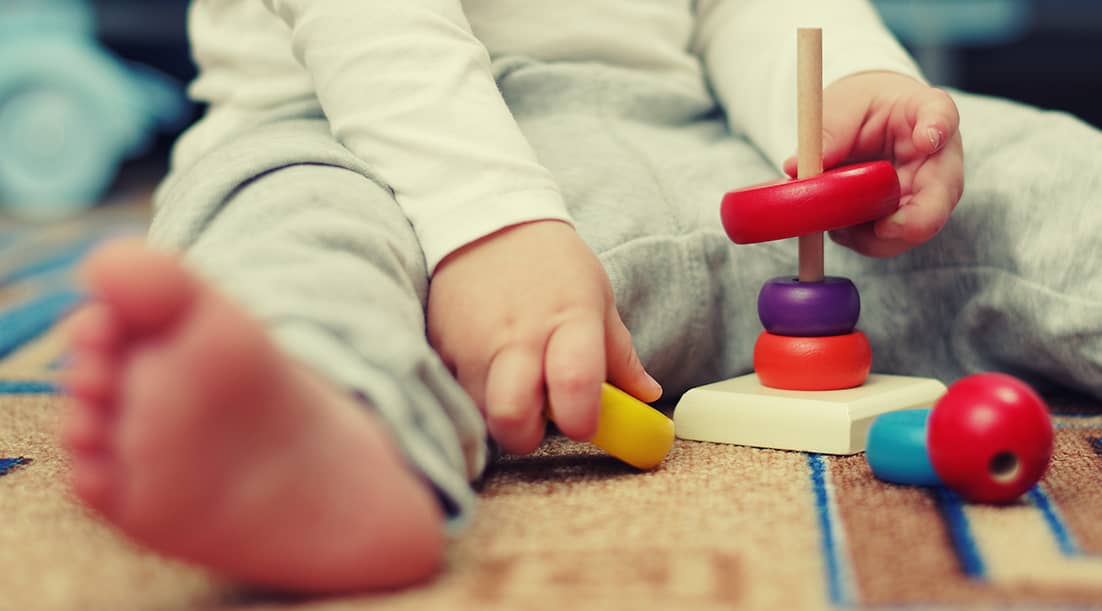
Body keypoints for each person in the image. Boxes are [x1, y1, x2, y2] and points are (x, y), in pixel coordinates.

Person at [60, 0, 1102, 594]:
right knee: (288, 238)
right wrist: (489, 219)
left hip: (699, 148)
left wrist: (842, 104)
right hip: (364, 148)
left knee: (1009, 165)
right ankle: (323, 436)